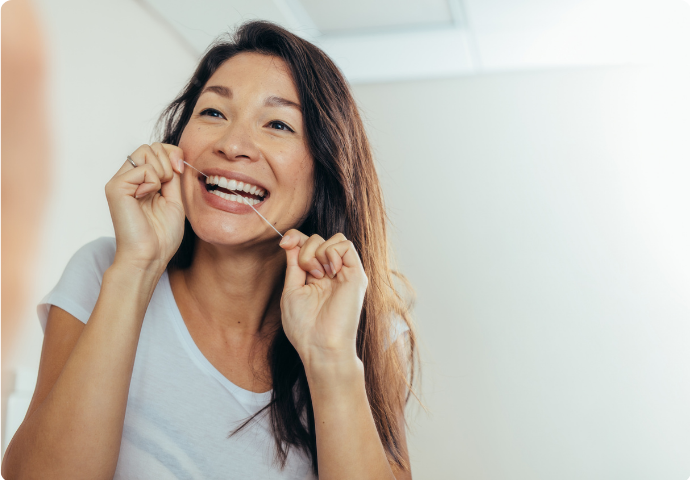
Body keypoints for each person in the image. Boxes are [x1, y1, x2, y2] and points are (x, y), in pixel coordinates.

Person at [1, 21, 418, 479]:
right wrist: (137, 269)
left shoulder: (367, 325)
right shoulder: (103, 270)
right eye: (214, 113)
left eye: (277, 123)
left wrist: (330, 358)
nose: (233, 145)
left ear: (326, 169)